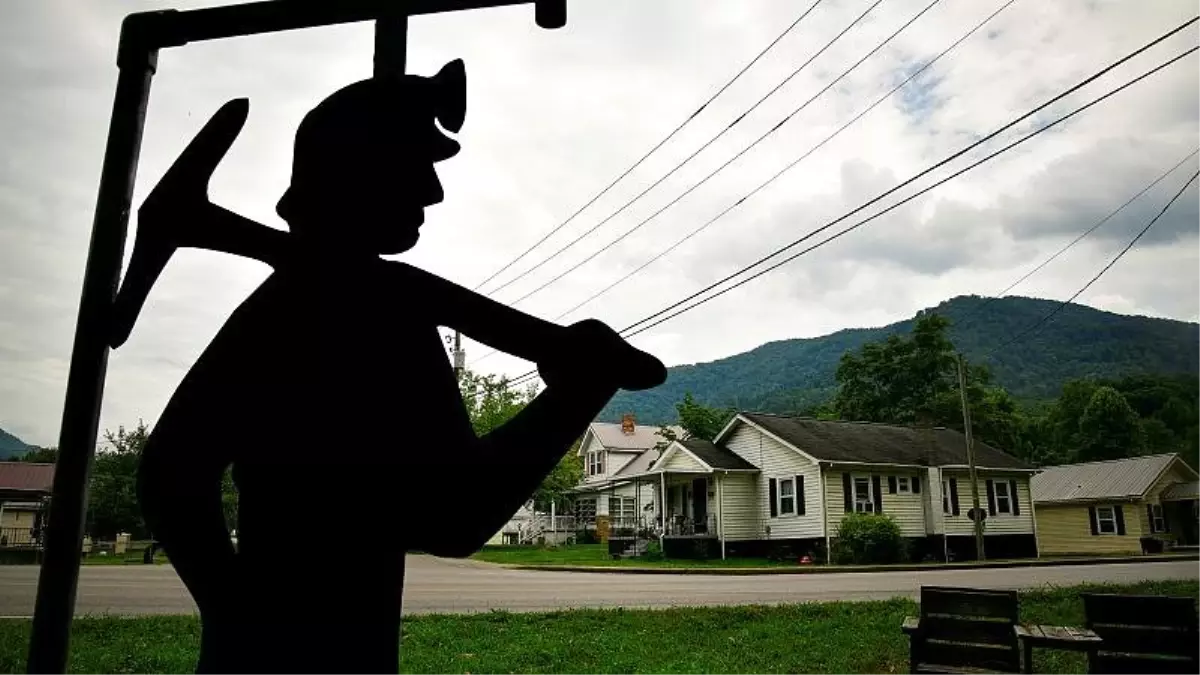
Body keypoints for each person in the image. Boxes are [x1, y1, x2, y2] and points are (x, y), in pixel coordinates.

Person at [120, 60, 666, 673]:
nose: (433, 191)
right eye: (419, 165)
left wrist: (233, 610)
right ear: (363, 173)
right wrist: (579, 392)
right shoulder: (372, 309)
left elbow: (172, 472)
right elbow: (457, 516)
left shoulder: (310, 301)